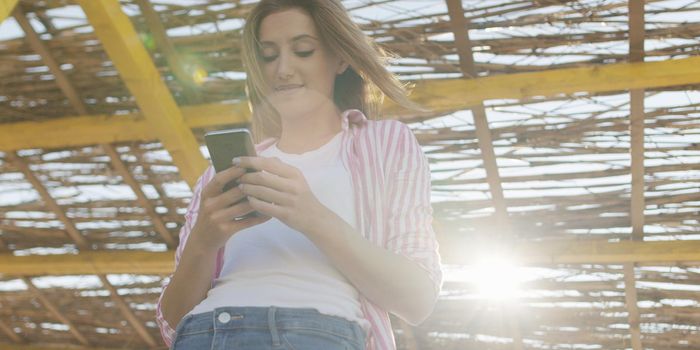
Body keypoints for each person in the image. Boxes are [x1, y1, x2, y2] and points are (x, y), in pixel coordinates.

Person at [155, 1, 443, 349]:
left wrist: (310, 215)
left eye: (303, 50)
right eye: (268, 55)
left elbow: (417, 298)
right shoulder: (222, 172)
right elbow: (172, 324)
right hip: (206, 335)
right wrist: (203, 240)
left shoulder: (385, 143)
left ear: (340, 58)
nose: (283, 69)